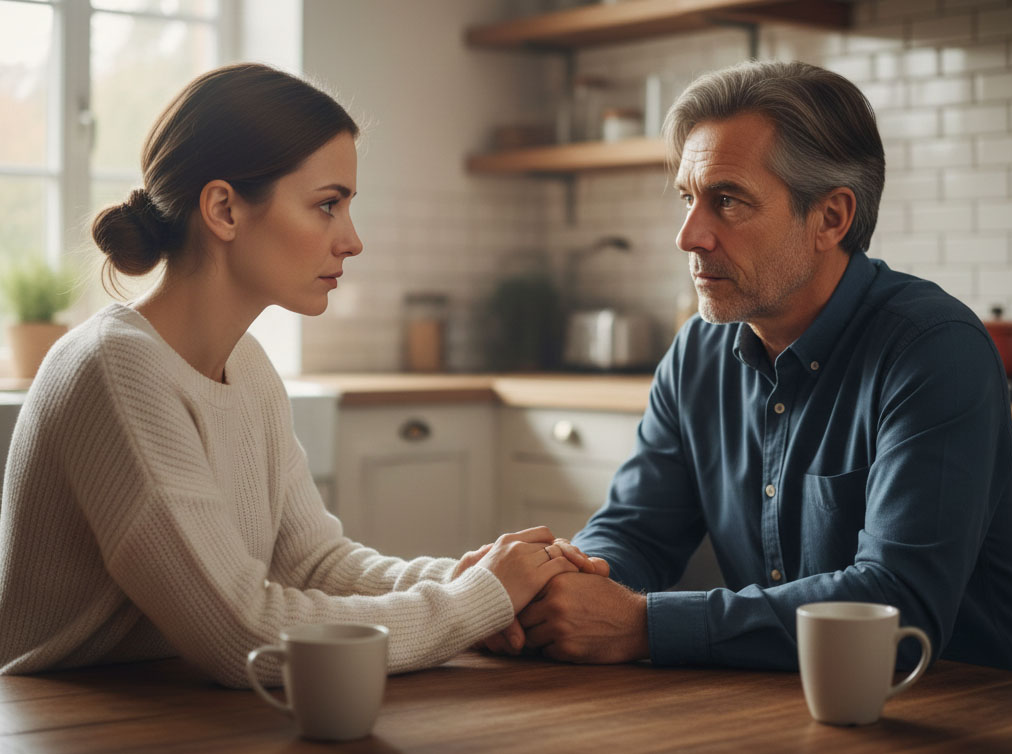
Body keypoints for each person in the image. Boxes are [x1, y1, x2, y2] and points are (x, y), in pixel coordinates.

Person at [0, 63, 603, 688]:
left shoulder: (247, 365)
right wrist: (473, 603)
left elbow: (313, 564)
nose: (352, 240)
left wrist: (477, 580)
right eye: (327, 205)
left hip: (173, 701)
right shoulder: (115, 367)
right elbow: (244, 634)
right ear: (224, 209)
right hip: (59, 718)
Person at [512, 60, 1012, 671]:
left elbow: (897, 602)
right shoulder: (698, 352)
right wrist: (566, 585)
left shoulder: (933, 349)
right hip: (776, 700)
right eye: (687, 198)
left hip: (964, 706)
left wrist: (643, 625)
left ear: (831, 218)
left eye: (726, 201)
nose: (689, 235)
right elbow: (636, 531)